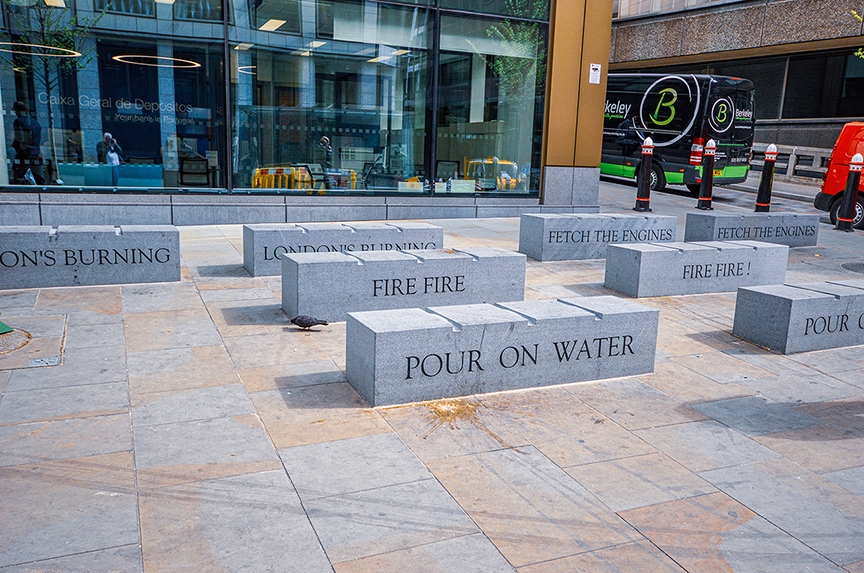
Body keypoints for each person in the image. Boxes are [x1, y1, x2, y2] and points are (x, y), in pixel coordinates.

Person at [11, 101, 45, 184]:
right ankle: (45, 194)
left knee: (18, 175)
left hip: (25, 153)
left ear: (18, 111)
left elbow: (20, 138)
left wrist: (16, 146)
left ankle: (17, 194)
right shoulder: (35, 122)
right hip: (36, 153)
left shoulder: (18, 121)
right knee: (39, 178)